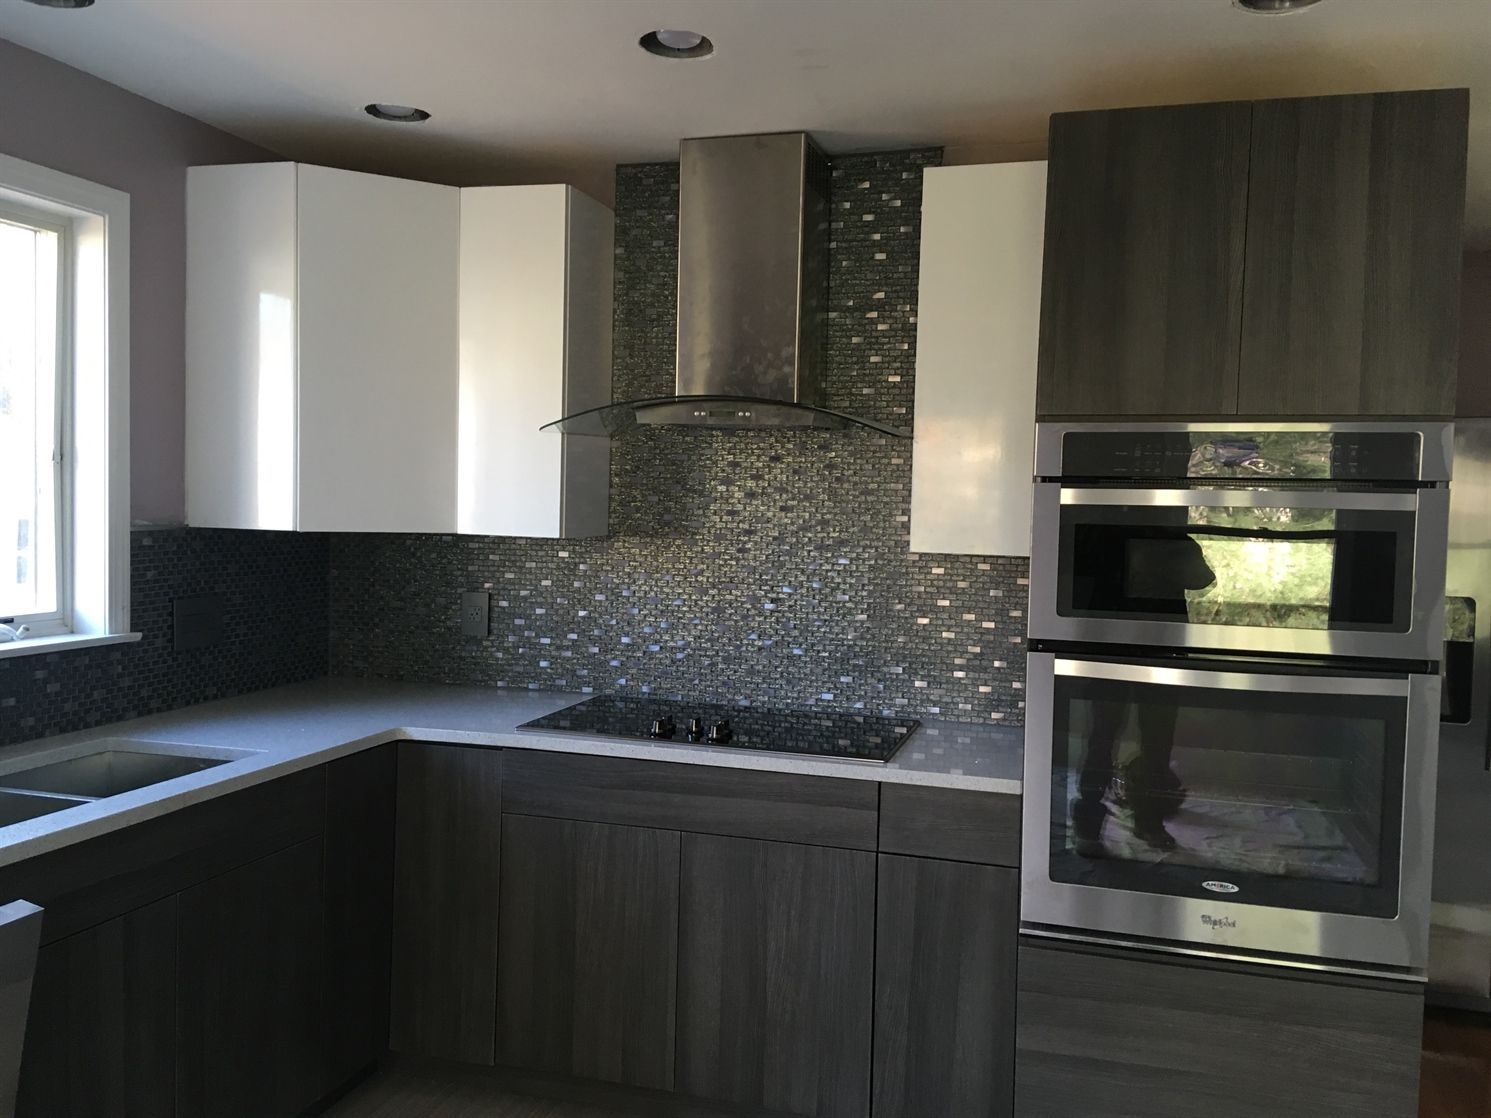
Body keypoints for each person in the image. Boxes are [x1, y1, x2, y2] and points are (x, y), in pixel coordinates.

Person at [1071, 526, 1215, 856]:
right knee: (1154, 740)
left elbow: (1074, 582)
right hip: (1150, 646)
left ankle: (1091, 828)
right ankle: (1144, 823)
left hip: (1117, 647)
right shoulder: (1173, 537)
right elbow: (1202, 580)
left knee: (1105, 737)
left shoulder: (1103, 533)